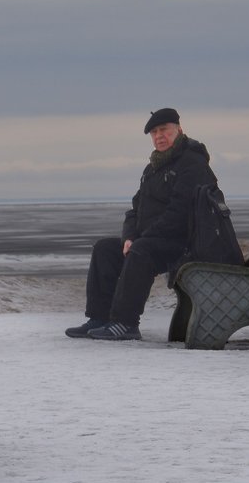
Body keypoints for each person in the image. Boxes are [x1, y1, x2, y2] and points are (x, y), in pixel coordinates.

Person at [65, 107, 217, 341]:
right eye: (154, 132)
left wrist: (141, 239)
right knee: (105, 248)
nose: (159, 136)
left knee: (141, 250)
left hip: (186, 242)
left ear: (179, 130)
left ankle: (126, 324)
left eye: (164, 130)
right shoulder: (153, 167)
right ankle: (100, 318)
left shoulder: (192, 163)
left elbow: (179, 214)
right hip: (153, 240)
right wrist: (129, 236)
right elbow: (135, 209)